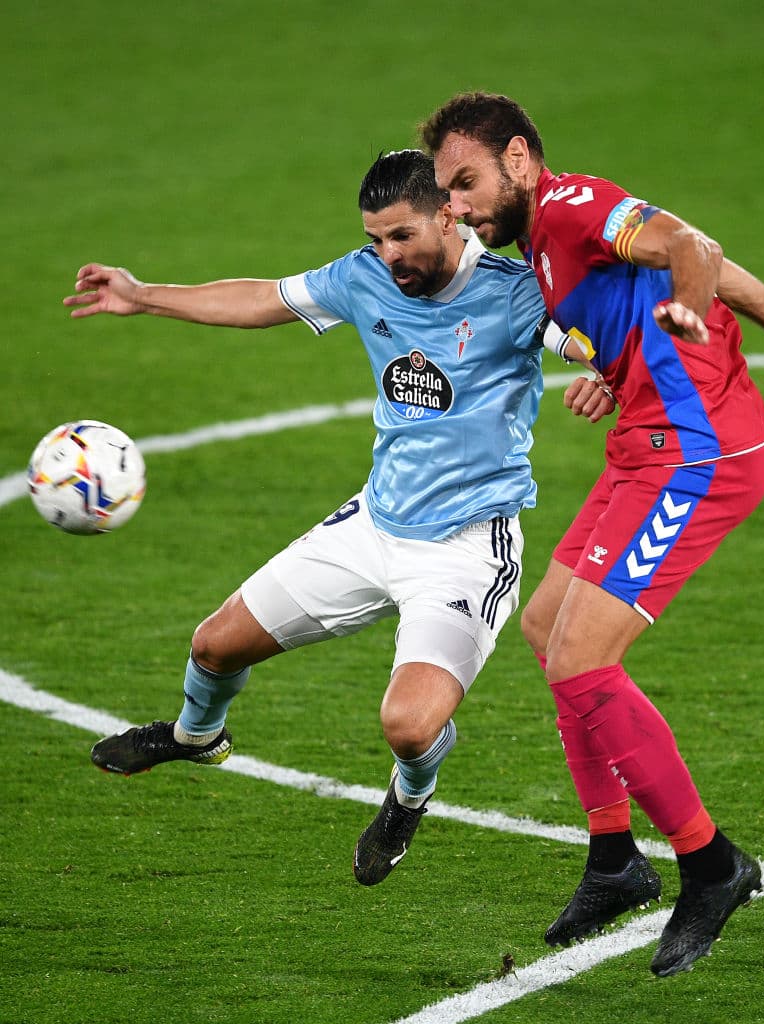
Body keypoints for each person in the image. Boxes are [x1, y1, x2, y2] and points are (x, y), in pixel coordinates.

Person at [63, 149, 613, 888]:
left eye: (401, 237)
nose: (386, 256)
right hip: (373, 524)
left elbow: (591, 337)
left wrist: (608, 374)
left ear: (449, 213)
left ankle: (407, 800)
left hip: (465, 550)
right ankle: (197, 736)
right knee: (215, 647)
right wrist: (143, 295)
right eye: (375, 238)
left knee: (409, 726)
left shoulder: (513, 296)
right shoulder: (362, 276)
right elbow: (264, 298)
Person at [422, 93, 764, 976]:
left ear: (520, 158)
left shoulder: (574, 206)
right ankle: (615, 860)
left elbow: (694, 251)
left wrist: (686, 315)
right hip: (645, 441)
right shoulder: (542, 239)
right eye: (447, 193)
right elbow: (668, 275)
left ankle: (710, 863)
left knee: (584, 659)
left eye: (465, 184)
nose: (457, 207)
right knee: (545, 629)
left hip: (700, 455)